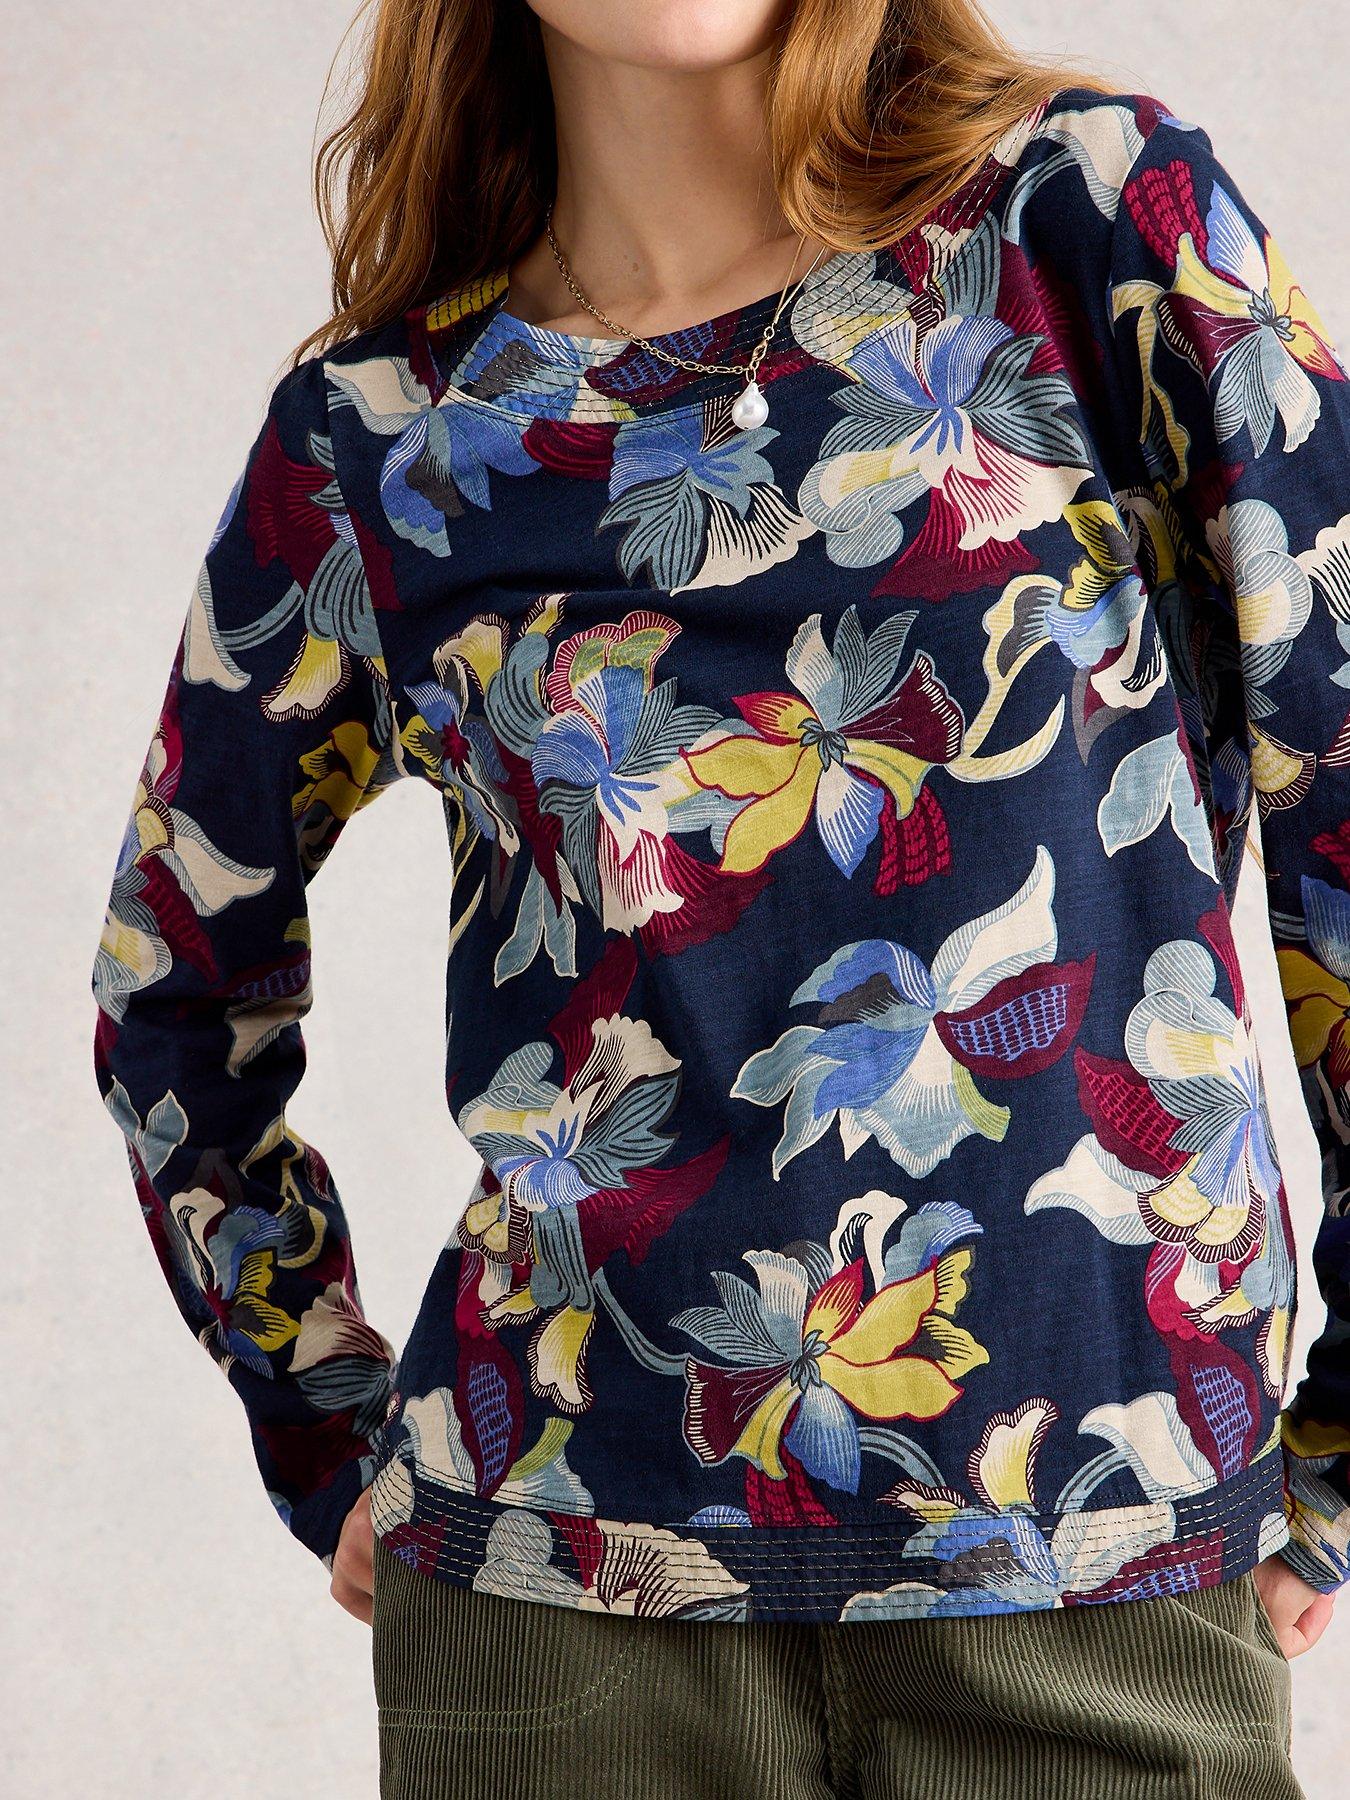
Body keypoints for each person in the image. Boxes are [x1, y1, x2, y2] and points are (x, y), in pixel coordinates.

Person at [89, 1, 1349, 1795]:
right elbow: (173, 980)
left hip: (1100, 1556)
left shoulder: (1087, 222)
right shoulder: (383, 437)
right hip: (557, 1621)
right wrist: (324, 1414)